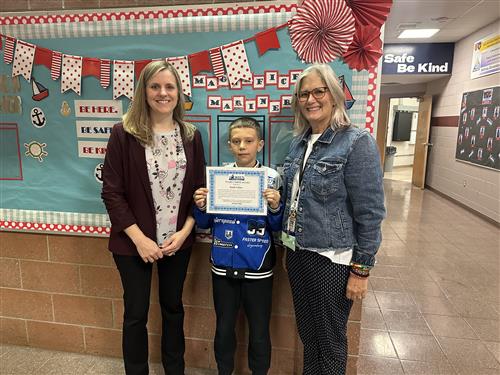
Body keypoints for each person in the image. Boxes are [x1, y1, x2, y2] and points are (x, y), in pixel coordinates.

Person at [101, 60, 205, 375]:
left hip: (177, 241)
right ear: (143, 92)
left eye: (169, 86)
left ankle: (175, 369)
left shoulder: (191, 135)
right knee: (135, 313)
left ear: (179, 92)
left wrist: (185, 233)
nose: (163, 93)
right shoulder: (124, 133)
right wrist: (140, 240)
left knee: (173, 309)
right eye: (155, 86)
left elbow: (199, 193)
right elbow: (112, 193)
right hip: (134, 243)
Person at [280, 64, 385, 375]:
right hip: (297, 252)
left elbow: (371, 211)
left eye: (318, 91)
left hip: (332, 259)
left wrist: (361, 270)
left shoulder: (355, 141)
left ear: (334, 95)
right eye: (304, 94)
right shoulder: (300, 143)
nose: (311, 99)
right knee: (309, 336)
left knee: (330, 340)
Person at [192, 117, 283, 375]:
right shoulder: (218, 178)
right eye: (236, 141)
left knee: (259, 331)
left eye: (249, 141)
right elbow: (204, 222)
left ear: (260, 144)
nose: (242, 146)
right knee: (223, 329)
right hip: (222, 269)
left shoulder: (272, 179)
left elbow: (277, 227)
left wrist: (276, 207)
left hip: (258, 269)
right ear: (230, 145)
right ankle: (224, 371)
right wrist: (200, 206)